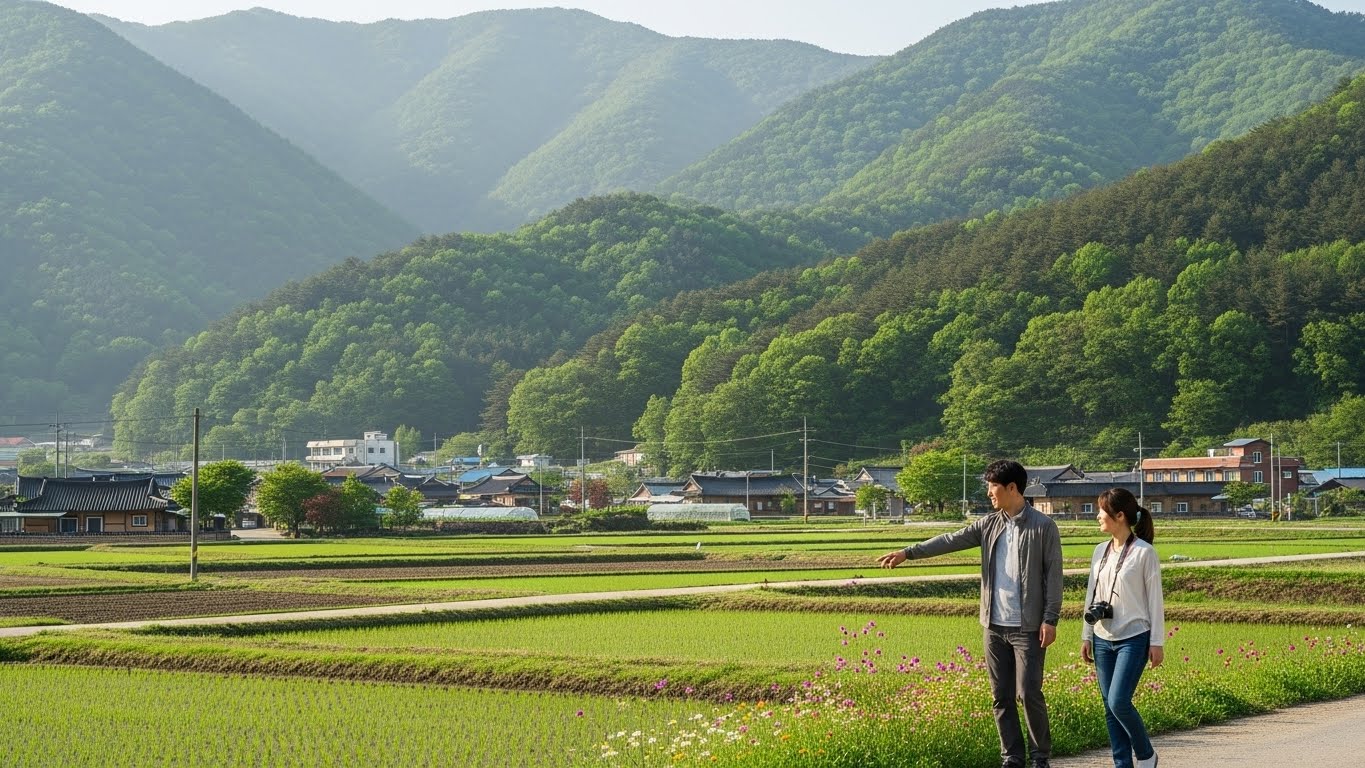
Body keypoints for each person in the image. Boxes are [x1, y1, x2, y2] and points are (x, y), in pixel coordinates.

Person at [878, 459, 1063, 768]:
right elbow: (950, 540)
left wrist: (1050, 618)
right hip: (993, 625)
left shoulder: (1043, 526)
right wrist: (908, 553)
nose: (989, 493)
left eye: (993, 487)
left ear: (1012, 488)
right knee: (1001, 696)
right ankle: (1012, 757)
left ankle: (1040, 757)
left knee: (1028, 693)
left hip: (1028, 626)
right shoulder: (989, 524)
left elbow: (1053, 575)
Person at [1080, 487, 1164, 768]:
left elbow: (1155, 601)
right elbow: (1091, 594)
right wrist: (1086, 635)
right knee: (1109, 708)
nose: (1097, 517)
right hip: (1103, 636)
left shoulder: (1144, 553)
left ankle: (1146, 755)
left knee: (1118, 702)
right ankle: (1122, 765)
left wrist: (1157, 642)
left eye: (1101, 511)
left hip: (1134, 637)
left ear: (1119, 515)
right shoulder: (1099, 551)